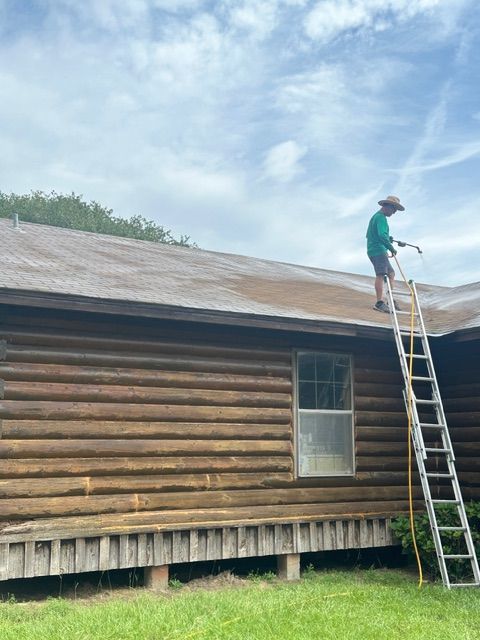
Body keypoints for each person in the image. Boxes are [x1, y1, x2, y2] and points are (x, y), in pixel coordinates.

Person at [366, 195, 405, 313]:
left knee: (391, 273)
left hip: (377, 249)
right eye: (394, 209)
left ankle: (390, 300)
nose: (394, 213)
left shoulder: (377, 217)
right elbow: (381, 235)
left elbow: (377, 234)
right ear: (387, 206)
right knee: (381, 274)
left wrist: (389, 238)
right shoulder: (380, 217)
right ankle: (379, 303)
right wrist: (391, 247)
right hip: (378, 250)